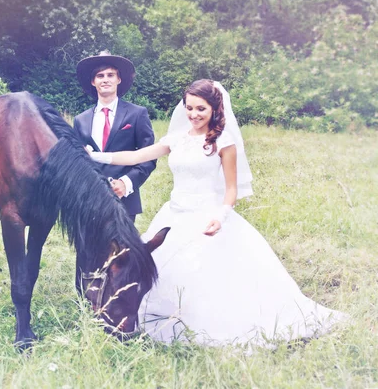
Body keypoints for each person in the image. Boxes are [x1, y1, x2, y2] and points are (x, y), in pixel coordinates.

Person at [89, 79, 346, 347]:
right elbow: (135, 156)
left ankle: (202, 322)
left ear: (214, 108)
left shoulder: (223, 141)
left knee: (205, 274)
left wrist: (221, 217)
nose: (194, 115)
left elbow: (231, 189)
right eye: (189, 108)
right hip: (174, 214)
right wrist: (95, 156)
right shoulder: (178, 138)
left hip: (207, 216)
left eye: (201, 109)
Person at [74, 51, 156, 222]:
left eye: (111, 75)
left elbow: (149, 157)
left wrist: (126, 183)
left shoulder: (137, 114)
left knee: (122, 249)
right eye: (100, 75)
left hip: (124, 200)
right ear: (93, 81)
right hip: (88, 201)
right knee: (86, 249)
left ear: (119, 79)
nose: (105, 79)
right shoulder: (80, 120)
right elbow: (77, 161)